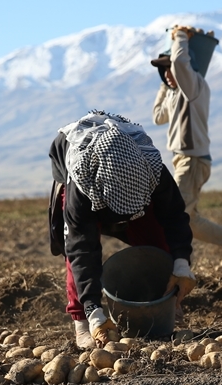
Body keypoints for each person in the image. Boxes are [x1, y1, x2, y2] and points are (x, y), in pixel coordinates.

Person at [48, 111, 197, 349]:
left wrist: (181, 263)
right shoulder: (82, 188)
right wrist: (93, 311)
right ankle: (83, 322)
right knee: (74, 251)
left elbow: (174, 217)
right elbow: (81, 250)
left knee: (160, 241)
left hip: (131, 179)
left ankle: (163, 302)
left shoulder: (152, 170)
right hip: (82, 168)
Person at [152, 24, 222, 262]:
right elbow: (157, 116)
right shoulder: (176, 93)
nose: (168, 73)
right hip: (182, 160)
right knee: (189, 220)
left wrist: (180, 36)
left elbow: (181, 65)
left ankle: (176, 264)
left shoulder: (195, 87)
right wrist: (164, 83)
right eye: (163, 70)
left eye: (169, 68)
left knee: (175, 214)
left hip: (192, 160)